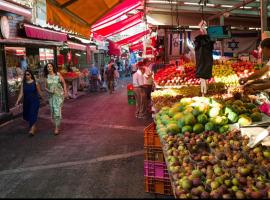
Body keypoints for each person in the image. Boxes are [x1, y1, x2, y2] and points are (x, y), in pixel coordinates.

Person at [16, 69, 43, 136]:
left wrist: (43, 98)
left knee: (32, 114)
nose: (27, 76)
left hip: (34, 101)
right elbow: (21, 93)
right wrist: (17, 101)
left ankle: (32, 129)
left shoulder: (35, 83)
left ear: (31, 75)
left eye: (28, 74)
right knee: (27, 115)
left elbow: (40, 92)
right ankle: (33, 126)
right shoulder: (23, 84)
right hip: (26, 102)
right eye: (25, 74)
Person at [44, 63, 67, 135]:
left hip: (59, 96)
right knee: (53, 111)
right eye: (48, 67)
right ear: (47, 68)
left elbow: (63, 83)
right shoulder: (46, 77)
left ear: (53, 67)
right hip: (51, 97)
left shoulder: (57, 74)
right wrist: (49, 91)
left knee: (57, 110)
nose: (49, 67)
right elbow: (45, 87)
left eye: (50, 66)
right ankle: (56, 124)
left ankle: (56, 128)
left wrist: (65, 92)